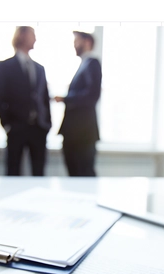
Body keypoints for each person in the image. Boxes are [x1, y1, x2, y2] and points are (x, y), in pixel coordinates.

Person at [0, 26, 51, 176]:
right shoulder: (5, 66)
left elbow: (44, 98)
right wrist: (7, 124)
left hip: (38, 128)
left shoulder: (40, 69)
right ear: (22, 36)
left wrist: (47, 124)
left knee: (39, 171)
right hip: (16, 127)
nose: (35, 39)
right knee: (13, 170)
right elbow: (0, 98)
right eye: (33, 35)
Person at [54, 31, 102, 177]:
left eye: (77, 41)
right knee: (74, 172)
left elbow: (92, 95)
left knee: (84, 172)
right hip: (74, 131)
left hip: (83, 132)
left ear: (87, 42)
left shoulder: (92, 63)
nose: (74, 44)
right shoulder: (83, 64)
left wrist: (66, 99)